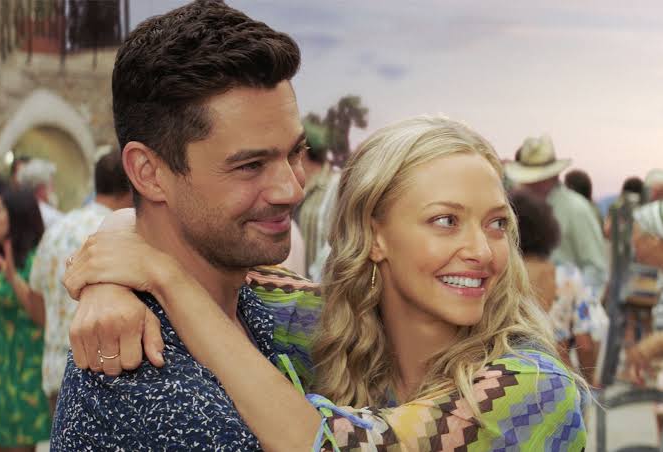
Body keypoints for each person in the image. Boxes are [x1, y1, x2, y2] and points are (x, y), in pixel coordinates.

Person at [63, 116, 588, 450]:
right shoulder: (324, 324)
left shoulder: (533, 387)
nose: (483, 250)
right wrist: (110, 281)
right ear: (375, 236)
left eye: (496, 224)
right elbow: (175, 244)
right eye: (446, 221)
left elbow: (331, 447)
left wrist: (162, 278)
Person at [50, 1, 312, 450]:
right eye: (250, 166)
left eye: (294, 153)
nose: (291, 189)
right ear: (149, 173)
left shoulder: (252, 299)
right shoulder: (160, 400)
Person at [28, 150, 132, 416]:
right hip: (105, 376)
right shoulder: (124, 233)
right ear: (131, 189)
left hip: (55, 371)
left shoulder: (57, 228)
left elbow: (35, 299)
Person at [510, 189, 604, 384]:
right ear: (548, 229)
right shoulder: (568, 277)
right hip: (557, 377)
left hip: (507, 378)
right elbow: (585, 344)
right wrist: (589, 382)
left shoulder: (498, 276)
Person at [0, 187, 50, 451]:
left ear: (17, 215)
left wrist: (13, 276)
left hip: (28, 368)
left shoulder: (34, 260)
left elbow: (41, 314)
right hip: (5, 364)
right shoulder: (1, 260)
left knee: (23, 445)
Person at [506, 135, 607, 293]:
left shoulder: (576, 209)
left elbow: (595, 269)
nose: (530, 183)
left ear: (552, 176)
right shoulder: (518, 207)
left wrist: (569, 297)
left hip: (562, 301)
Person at [295, 118, 340, 280]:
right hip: (292, 288)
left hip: (323, 289)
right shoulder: (293, 187)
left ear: (303, 150)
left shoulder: (336, 185)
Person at [16, 159, 63, 227]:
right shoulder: (51, 217)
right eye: (51, 183)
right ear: (41, 187)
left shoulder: (19, 206)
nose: (53, 188)